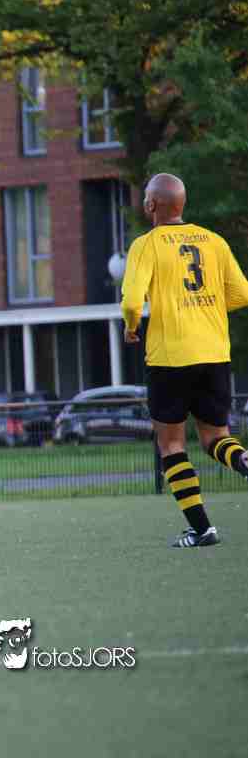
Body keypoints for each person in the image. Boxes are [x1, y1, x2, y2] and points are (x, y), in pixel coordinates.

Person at [120, 173, 248, 547]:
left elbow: (132, 301)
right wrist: (204, 310)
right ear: (183, 204)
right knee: (216, 438)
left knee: (172, 445)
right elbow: (241, 294)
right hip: (214, 353)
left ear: (152, 205)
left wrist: (131, 326)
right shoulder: (214, 241)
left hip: (170, 358)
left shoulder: (146, 244)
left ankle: (202, 529)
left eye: (146, 198)